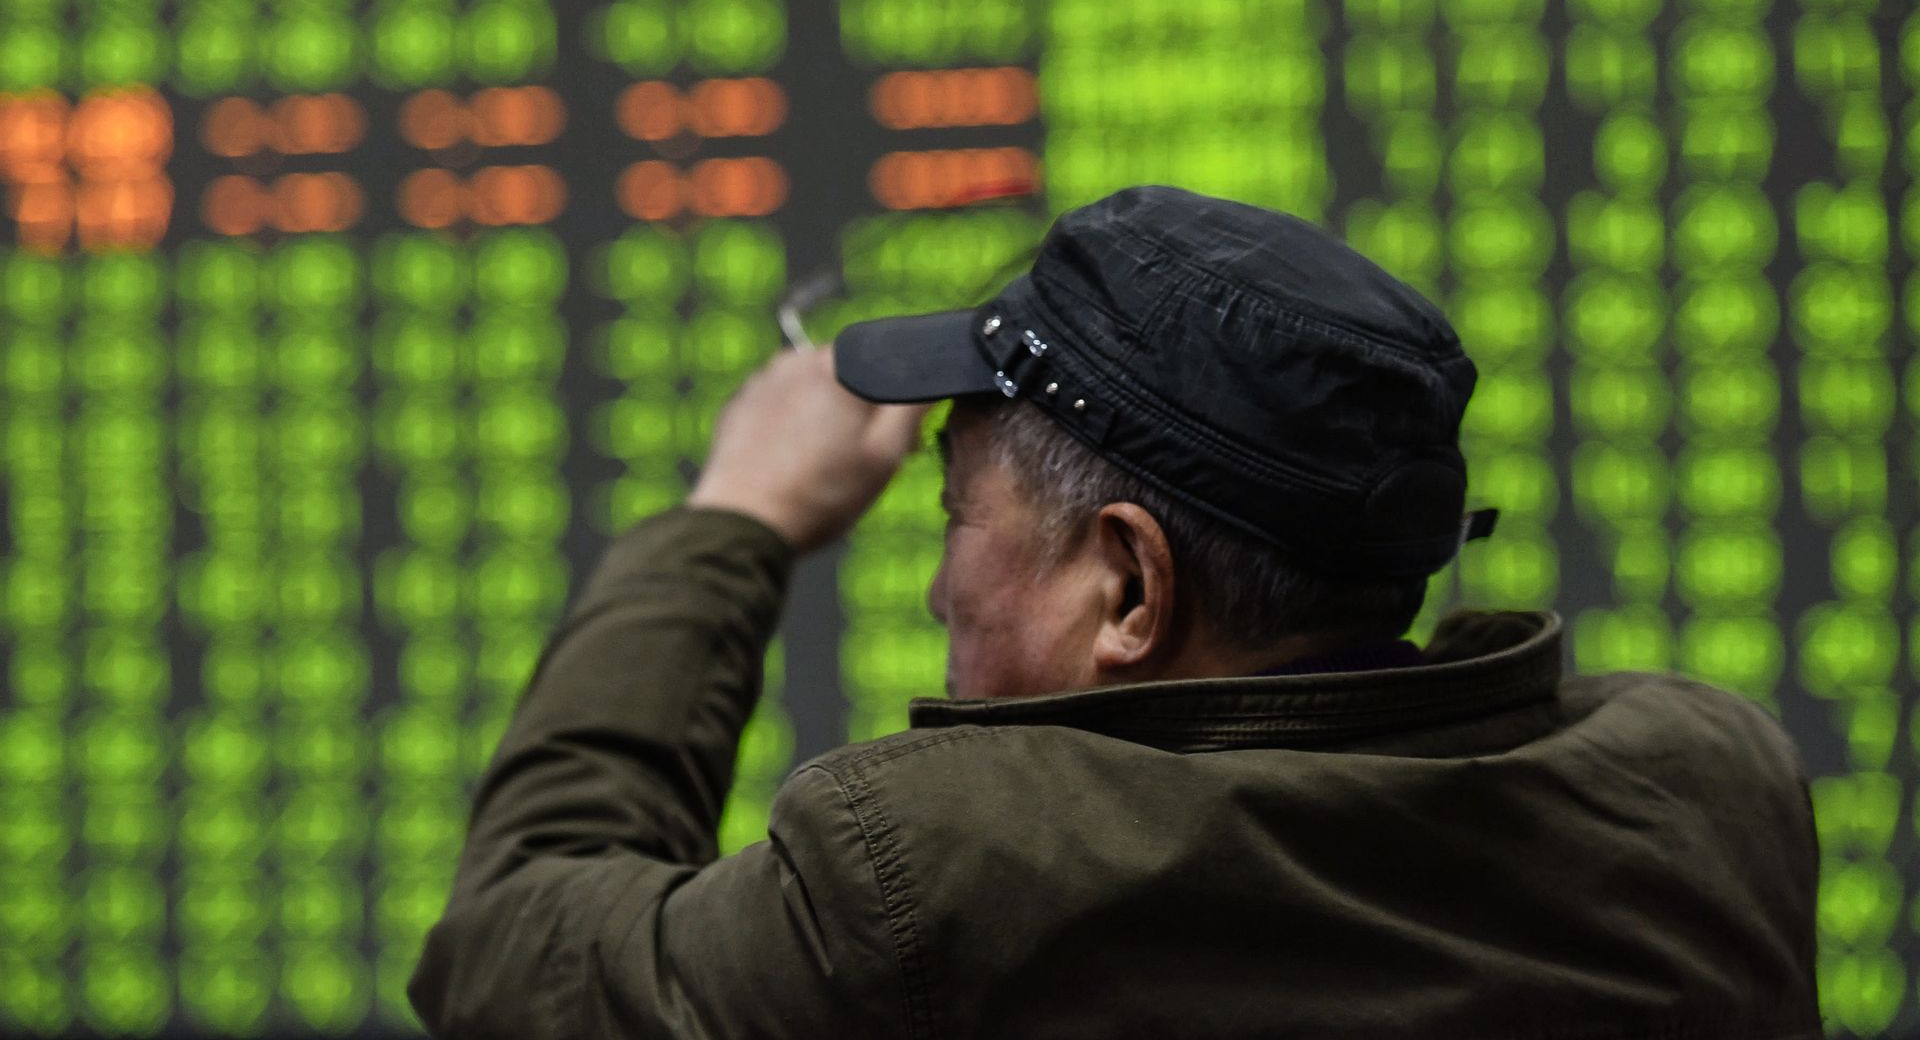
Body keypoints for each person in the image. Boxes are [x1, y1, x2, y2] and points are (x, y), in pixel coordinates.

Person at [409, 186, 1820, 1038]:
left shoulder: (948, 881)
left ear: (1132, 586)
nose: (934, 583)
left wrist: (736, 520)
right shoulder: (1709, 795)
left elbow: (510, 948)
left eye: (954, 519)